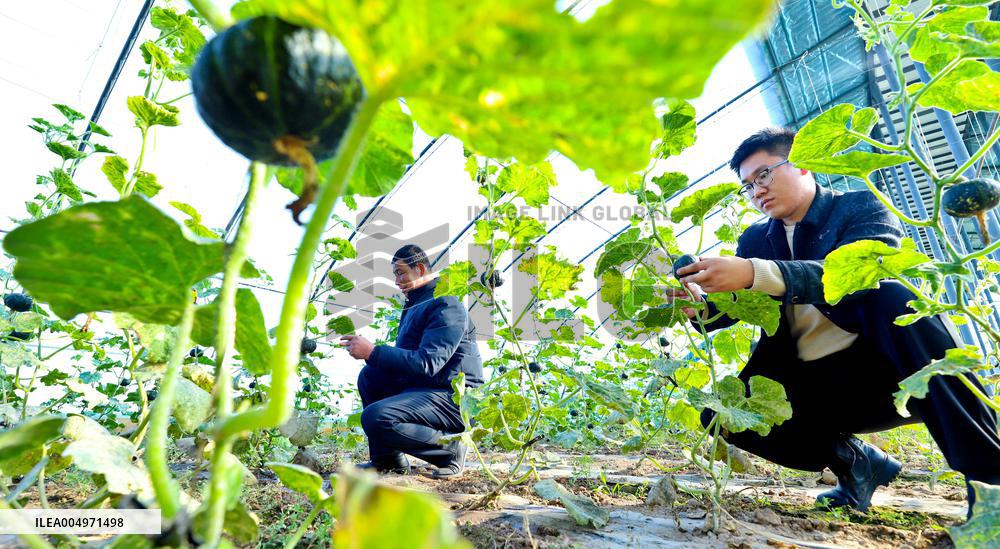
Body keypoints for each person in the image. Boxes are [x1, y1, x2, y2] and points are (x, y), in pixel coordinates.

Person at [671, 128, 1000, 517]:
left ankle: (989, 483)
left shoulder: (862, 207)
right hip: (816, 390)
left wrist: (754, 272)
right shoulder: (756, 240)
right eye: (747, 185)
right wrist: (700, 308)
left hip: (892, 377)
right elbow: (742, 304)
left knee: (893, 296)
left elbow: (854, 277)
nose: (756, 191)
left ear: (804, 164)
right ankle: (857, 464)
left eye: (764, 175)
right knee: (720, 415)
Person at [339, 244, 484, 478]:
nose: (396, 280)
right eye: (395, 274)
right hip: (427, 390)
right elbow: (407, 363)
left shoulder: (446, 303)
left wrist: (373, 352)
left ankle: (450, 450)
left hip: (455, 398)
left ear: (419, 268)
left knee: (377, 417)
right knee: (370, 376)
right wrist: (373, 358)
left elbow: (428, 362)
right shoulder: (416, 304)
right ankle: (388, 460)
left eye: (400, 272)